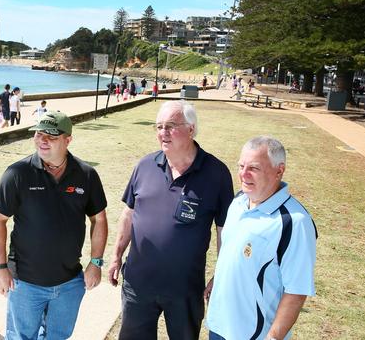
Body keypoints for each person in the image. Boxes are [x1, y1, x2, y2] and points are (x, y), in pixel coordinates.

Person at [108, 100, 234, 340]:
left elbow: (223, 229)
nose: (162, 133)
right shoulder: (145, 165)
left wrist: (221, 273)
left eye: (170, 126)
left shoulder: (216, 173)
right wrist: (116, 256)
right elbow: (129, 214)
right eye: (158, 127)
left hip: (185, 287)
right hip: (138, 283)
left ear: (192, 129)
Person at [0, 111, 109, 340]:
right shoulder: (17, 173)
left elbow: (98, 219)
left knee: (58, 337)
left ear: (68, 140)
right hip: (24, 283)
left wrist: (95, 262)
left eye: (51, 136)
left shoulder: (87, 175)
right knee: (21, 337)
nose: (42, 140)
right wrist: (0, 268)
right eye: (38, 134)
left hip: (69, 284)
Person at [206, 136, 317, 340]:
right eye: (241, 166)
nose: (243, 174)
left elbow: (296, 291)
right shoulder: (239, 201)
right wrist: (218, 278)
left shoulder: (294, 222)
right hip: (218, 327)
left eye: (254, 168)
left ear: (279, 170)